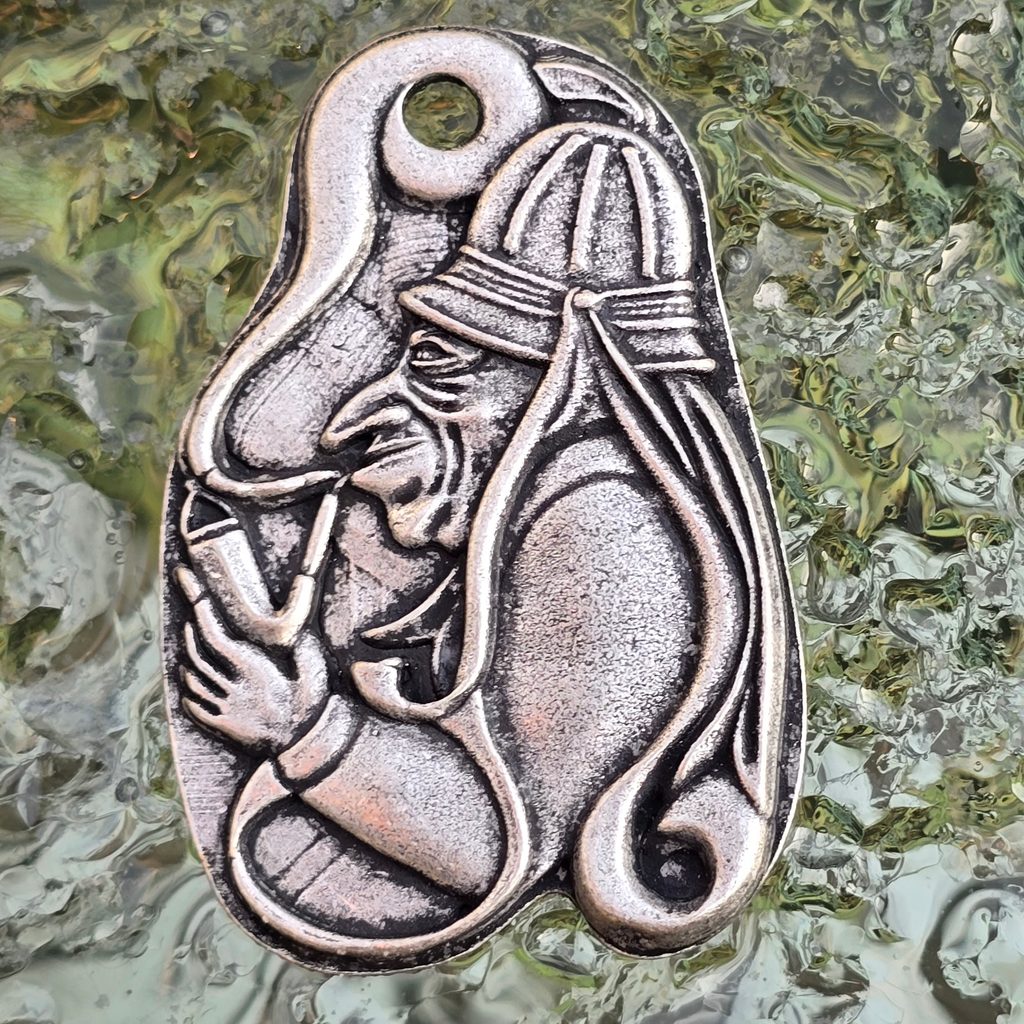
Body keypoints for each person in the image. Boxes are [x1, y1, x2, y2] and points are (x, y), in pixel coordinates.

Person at [176, 121, 789, 958]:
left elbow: (503, 846)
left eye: (437, 368)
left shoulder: (598, 523)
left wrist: (298, 725)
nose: (350, 423)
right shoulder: (565, 498)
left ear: (571, 368)